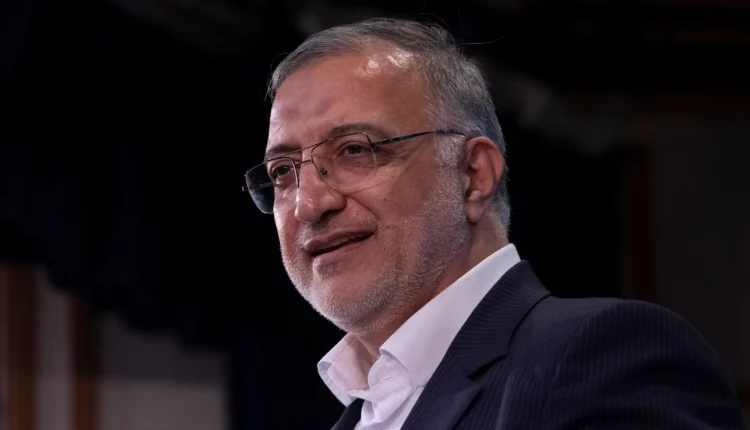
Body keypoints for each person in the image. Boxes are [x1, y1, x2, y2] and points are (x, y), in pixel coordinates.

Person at [243, 18, 744, 430]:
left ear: (473, 175)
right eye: (283, 172)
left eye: (356, 150)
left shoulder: (602, 357)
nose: (309, 204)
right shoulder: (357, 417)